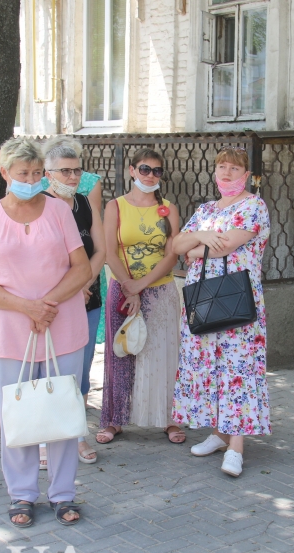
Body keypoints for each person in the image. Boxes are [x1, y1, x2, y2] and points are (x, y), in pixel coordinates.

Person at [0, 136, 92, 527]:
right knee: (16, 414)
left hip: (62, 325)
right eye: (23, 173)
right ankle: (21, 494)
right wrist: (28, 308)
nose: (31, 180)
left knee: (63, 411)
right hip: (10, 331)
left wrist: (46, 305)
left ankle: (63, 493)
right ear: (4, 172)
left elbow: (82, 268)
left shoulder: (58, 211)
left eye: (37, 173)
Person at [171, 146, 270, 477]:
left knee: (237, 367)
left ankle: (236, 447)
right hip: (203, 297)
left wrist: (195, 249)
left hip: (235, 297)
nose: (227, 173)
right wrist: (200, 236)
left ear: (246, 175)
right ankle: (218, 433)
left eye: (234, 168)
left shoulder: (253, 205)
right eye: (222, 167)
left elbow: (226, 245)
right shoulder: (205, 210)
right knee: (209, 364)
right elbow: (176, 245)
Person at [98, 149, 183, 445]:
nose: (150, 175)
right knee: (121, 354)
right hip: (122, 290)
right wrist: (127, 285)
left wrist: (140, 286)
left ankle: (169, 418)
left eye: (157, 171)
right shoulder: (115, 206)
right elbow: (109, 251)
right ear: (132, 170)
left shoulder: (169, 208)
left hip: (160, 290)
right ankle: (114, 419)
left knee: (162, 355)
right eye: (145, 169)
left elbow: (172, 254)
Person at [42, 137, 105, 465]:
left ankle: (77, 436)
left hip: (87, 301)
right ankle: (44, 438)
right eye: (64, 171)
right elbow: (38, 261)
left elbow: (100, 250)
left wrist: (84, 284)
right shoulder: (38, 205)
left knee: (79, 372)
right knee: (49, 371)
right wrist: (70, 290)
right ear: (48, 174)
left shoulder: (84, 203)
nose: (72, 177)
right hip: (52, 305)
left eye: (77, 170)